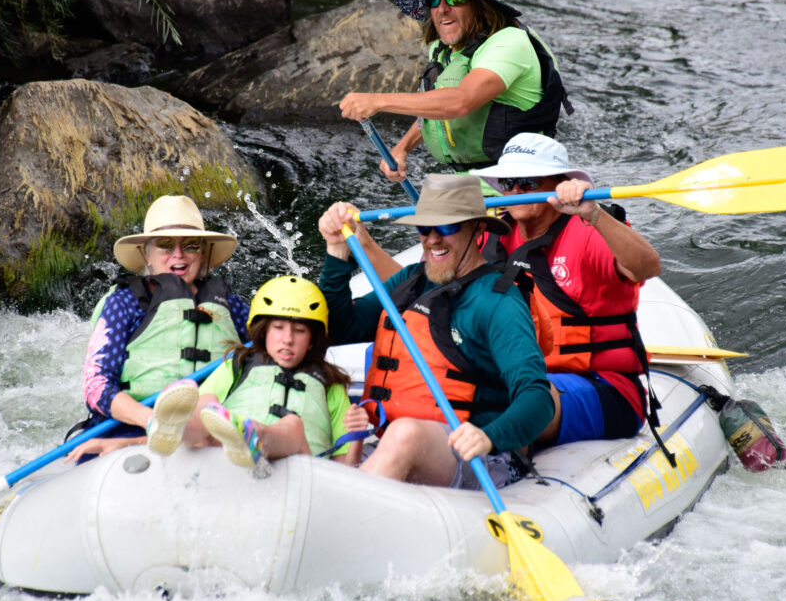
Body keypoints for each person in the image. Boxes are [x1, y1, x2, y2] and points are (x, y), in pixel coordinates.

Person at [317, 174, 553, 489]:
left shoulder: (498, 301)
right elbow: (343, 328)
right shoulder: (413, 278)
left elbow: (537, 396)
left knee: (406, 434)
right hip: (389, 439)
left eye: (446, 228)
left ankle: (342, 511)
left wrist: (488, 437)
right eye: (424, 229)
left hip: (482, 456)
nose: (432, 239)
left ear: (478, 229)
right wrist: (336, 252)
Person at [68, 275, 370, 468]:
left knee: (292, 425)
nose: (287, 339)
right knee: (203, 414)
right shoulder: (237, 366)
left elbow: (346, 467)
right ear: (262, 332)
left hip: (302, 468)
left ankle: (253, 434)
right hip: (232, 460)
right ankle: (178, 427)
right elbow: (206, 407)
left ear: (314, 338)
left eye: (299, 331)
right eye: (278, 328)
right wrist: (122, 443)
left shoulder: (330, 384)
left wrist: (355, 435)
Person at [477, 133, 662, 446]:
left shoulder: (589, 230)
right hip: (520, 374)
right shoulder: (493, 233)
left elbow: (647, 267)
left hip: (606, 386)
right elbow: (425, 293)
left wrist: (593, 213)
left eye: (528, 181)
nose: (516, 191)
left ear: (559, 183)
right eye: (508, 182)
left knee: (524, 396)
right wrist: (366, 244)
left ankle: (504, 465)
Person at [338, 0, 572, 178]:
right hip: (467, 184)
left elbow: (461, 101)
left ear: (480, 4)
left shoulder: (510, 43)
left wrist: (378, 101)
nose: (443, 9)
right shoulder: (442, 51)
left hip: (521, 186)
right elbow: (435, 108)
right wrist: (403, 148)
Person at [74, 195, 249, 448]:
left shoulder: (232, 307)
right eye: (165, 245)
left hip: (208, 429)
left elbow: (278, 349)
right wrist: (152, 421)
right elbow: (96, 385)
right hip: (133, 425)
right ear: (146, 255)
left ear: (204, 252)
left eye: (190, 245)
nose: (178, 255)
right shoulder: (125, 303)